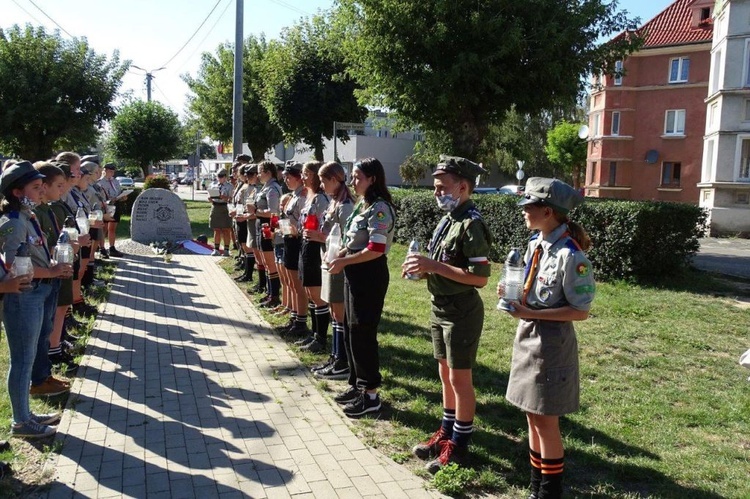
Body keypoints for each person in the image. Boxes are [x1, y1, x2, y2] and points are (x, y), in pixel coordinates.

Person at [498, 177, 596, 499]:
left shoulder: (571, 255)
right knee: (531, 416)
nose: (524, 211)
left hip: (551, 346)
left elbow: (580, 312)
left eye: (530, 206)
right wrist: (511, 294)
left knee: (546, 423)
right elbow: (529, 290)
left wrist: (530, 312)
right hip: (528, 338)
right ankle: (536, 488)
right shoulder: (534, 245)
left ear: (549, 211)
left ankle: (549, 493)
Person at [402, 155, 493, 473]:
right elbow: (444, 265)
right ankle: (446, 432)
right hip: (439, 306)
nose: (436, 192)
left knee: (460, 378)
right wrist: (421, 270)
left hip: (461, 311)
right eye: (435, 187)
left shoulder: (471, 223)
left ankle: (460, 444)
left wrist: (433, 266)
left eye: (442, 187)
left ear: (463, 187)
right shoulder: (448, 219)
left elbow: (480, 277)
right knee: (445, 375)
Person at [0, 161, 73, 438]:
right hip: (24, 298)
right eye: (35, 186)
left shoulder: (27, 216)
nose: (41, 189)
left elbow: (31, 255)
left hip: (38, 291)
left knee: (28, 359)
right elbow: (13, 270)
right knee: (21, 361)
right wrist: (51, 270)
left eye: (42, 184)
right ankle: (21, 422)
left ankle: (25, 414)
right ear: (17, 192)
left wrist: (53, 261)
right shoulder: (14, 222)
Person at [328, 158, 395, 418]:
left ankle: (371, 395)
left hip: (369, 274)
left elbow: (375, 249)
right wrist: (340, 255)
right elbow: (353, 241)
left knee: (363, 332)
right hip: (353, 271)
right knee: (350, 330)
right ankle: (357, 386)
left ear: (372, 179)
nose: (353, 182)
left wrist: (344, 259)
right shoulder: (362, 205)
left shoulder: (380, 208)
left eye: (357, 177)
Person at [309, 161, 355, 380]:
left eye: (323, 180)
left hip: (339, 263)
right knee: (333, 312)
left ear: (335, 180)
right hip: (328, 260)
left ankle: (342, 362)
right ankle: (336, 356)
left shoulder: (346, 205)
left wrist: (321, 237)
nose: (321, 184)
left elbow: (347, 239)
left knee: (339, 313)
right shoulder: (335, 201)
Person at [296, 161, 330, 353]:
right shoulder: (309, 197)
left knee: (317, 295)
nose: (303, 177)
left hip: (317, 248)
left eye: (306, 174)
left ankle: (321, 338)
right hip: (306, 244)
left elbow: (329, 228)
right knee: (309, 292)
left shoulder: (321, 199)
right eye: (302, 174)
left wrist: (318, 235)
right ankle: (314, 334)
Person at [251, 161, 283, 307]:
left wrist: (256, 211)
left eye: (260, 172)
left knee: (270, 263)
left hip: (267, 226)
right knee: (265, 261)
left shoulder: (273, 189)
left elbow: (273, 211)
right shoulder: (266, 187)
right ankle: (270, 293)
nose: (258, 175)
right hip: (260, 225)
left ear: (268, 172)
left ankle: (274, 295)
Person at [97, 163, 128, 257]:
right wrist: (109, 200)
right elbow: (99, 197)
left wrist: (122, 197)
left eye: (113, 171)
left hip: (115, 205)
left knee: (112, 228)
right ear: (104, 170)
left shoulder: (115, 181)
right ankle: (101, 248)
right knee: (104, 228)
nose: (112, 173)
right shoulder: (100, 182)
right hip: (105, 206)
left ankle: (112, 248)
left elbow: (118, 192)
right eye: (110, 171)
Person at [208, 170, 233, 256]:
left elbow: (232, 199)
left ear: (226, 177)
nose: (220, 178)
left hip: (225, 207)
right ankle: (216, 249)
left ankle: (226, 249)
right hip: (215, 206)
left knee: (226, 229)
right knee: (216, 229)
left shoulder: (230, 186)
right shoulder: (213, 185)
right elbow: (209, 195)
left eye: (222, 176)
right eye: (218, 176)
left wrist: (224, 197)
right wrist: (210, 199)